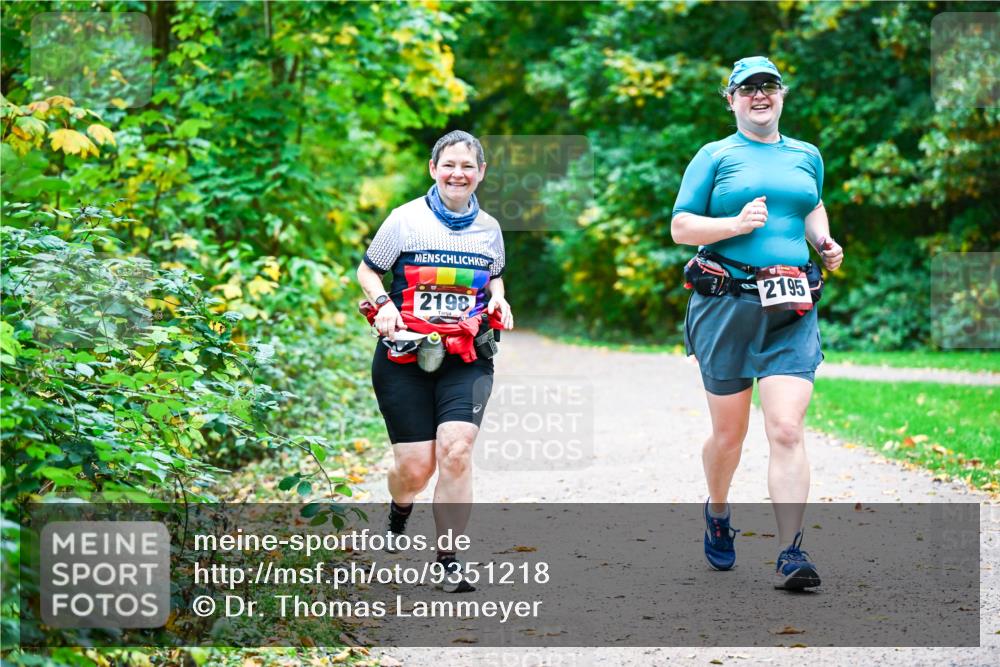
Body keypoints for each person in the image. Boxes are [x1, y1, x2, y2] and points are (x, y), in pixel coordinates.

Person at [670, 56, 844, 590]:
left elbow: (812, 206)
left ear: (782, 93)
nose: (759, 95)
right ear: (731, 100)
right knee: (730, 435)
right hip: (726, 305)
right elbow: (681, 227)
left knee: (786, 428)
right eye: (748, 89)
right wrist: (734, 224)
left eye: (769, 86)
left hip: (791, 305)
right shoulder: (714, 155)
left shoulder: (806, 155)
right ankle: (718, 510)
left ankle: (791, 551)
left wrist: (824, 241)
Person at [357, 130, 513, 593]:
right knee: (415, 469)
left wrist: (499, 299)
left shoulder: (490, 228)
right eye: (449, 165)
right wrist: (383, 304)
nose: (457, 174)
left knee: (456, 450)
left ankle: (449, 560)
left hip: (467, 355)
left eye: (467, 166)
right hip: (404, 355)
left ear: (481, 173)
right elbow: (368, 269)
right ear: (433, 169)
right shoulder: (404, 220)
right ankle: (399, 509)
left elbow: (495, 277)